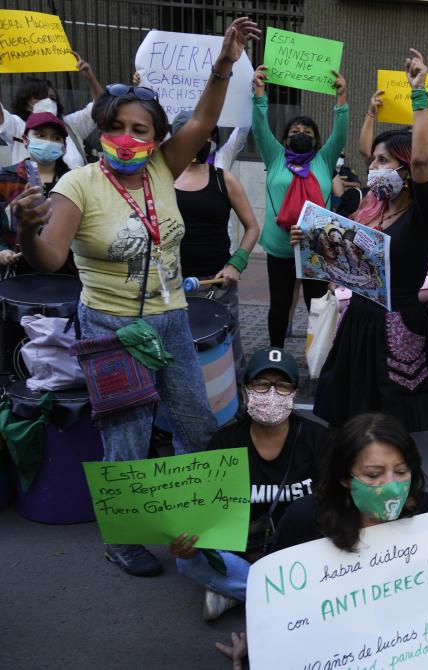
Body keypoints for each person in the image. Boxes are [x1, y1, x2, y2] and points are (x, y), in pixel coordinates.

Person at [11, 17, 261, 577]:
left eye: (142, 129)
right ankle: (123, 538)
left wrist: (224, 63)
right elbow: (49, 259)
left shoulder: (161, 168)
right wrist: (26, 228)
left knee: (196, 425)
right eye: (118, 127)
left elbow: (204, 117)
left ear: (155, 139)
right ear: (101, 131)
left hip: (171, 321)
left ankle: (190, 526)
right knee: (126, 436)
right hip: (111, 328)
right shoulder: (78, 185)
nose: (129, 137)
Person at [293, 50, 428, 433]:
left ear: (406, 166)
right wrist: (309, 242)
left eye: (383, 161)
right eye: (374, 161)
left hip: (399, 323)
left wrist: (419, 95)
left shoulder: (422, 214)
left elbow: (422, 165)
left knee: (389, 427)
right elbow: (341, 260)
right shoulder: (370, 208)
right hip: (358, 323)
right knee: (348, 423)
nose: (374, 168)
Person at [169, 347, 326, 620]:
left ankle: (239, 594)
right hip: (243, 554)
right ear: (245, 391)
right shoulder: (224, 443)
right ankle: (292, 603)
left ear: (294, 394)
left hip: (302, 552)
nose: (272, 393)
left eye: (283, 385)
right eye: (262, 384)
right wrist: (188, 538)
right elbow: (206, 513)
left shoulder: (318, 439)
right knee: (187, 560)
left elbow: (335, 504)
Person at [251, 62, 348, 348]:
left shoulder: (324, 159)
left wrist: (341, 98)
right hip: (280, 247)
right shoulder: (275, 156)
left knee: (317, 306)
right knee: (280, 305)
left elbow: (340, 133)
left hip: (317, 247)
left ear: (317, 140)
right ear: (284, 138)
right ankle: (276, 354)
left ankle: (318, 359)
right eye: (295, 129)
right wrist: (259, 92)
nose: (301, 132)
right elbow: (258, 126)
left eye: (307, 130)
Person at [273, 412, 428, 550]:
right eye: (374, 474)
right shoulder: (305, 519)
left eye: (401, 471)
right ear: (345, 478)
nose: (391, 485)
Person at [171, 111, 260, 382]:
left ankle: (235, 412)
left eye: (206, 133)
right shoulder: (159, 178)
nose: (201, 139)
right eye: (191, 134)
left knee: (227, 354)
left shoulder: (224, 178)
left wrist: (236, 264)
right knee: (176, 358)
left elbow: (252, 227)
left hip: (216, 285)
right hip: (170, 286)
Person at [0, 111, 76, 275]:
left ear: (63, 147)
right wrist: (2, 250)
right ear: (26, 140)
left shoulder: (74, 181)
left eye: (56, 138)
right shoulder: (5, 178)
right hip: (16, 275)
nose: (48, 142)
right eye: (40, 135)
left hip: (65, 275)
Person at [0, 52, 103, 169]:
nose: (48, 101)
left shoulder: (70, 125)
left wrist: (90, 78)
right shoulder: (17, 125)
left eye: (52, 98)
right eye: (40, 97)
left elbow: (101, 106)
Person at [359, 89, 428, 193]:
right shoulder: (381, 169)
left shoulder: (421, 181)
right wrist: (371, 113)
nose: (372, 166)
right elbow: (366, 152)